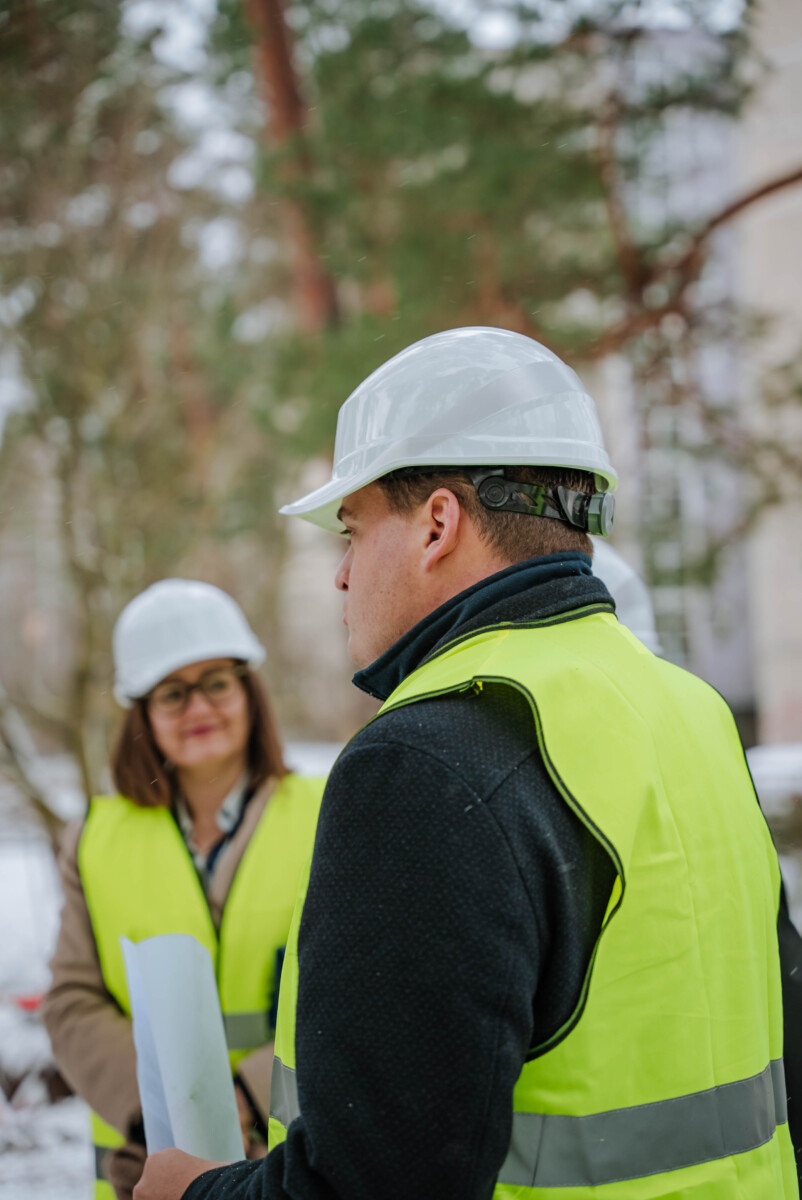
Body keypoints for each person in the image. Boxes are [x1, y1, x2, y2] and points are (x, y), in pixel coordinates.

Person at [136, 328, 798, 1199]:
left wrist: (196, 1193)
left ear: (438, 524)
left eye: (352, 528)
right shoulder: (690, 710)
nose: (341, 576)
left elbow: (373, 1183)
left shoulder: (426, 758)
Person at [43, 579, 324, 1200]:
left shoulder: (327, 813)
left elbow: (351, 990)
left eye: (216, 683)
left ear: (248, 689)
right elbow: (72, 1002)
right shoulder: (95, 836)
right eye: (172, 693)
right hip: (146, 1167)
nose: (198, 708)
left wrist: (245, 1096)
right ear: (141, 712)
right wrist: (160, 1118)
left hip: (287, 1161)